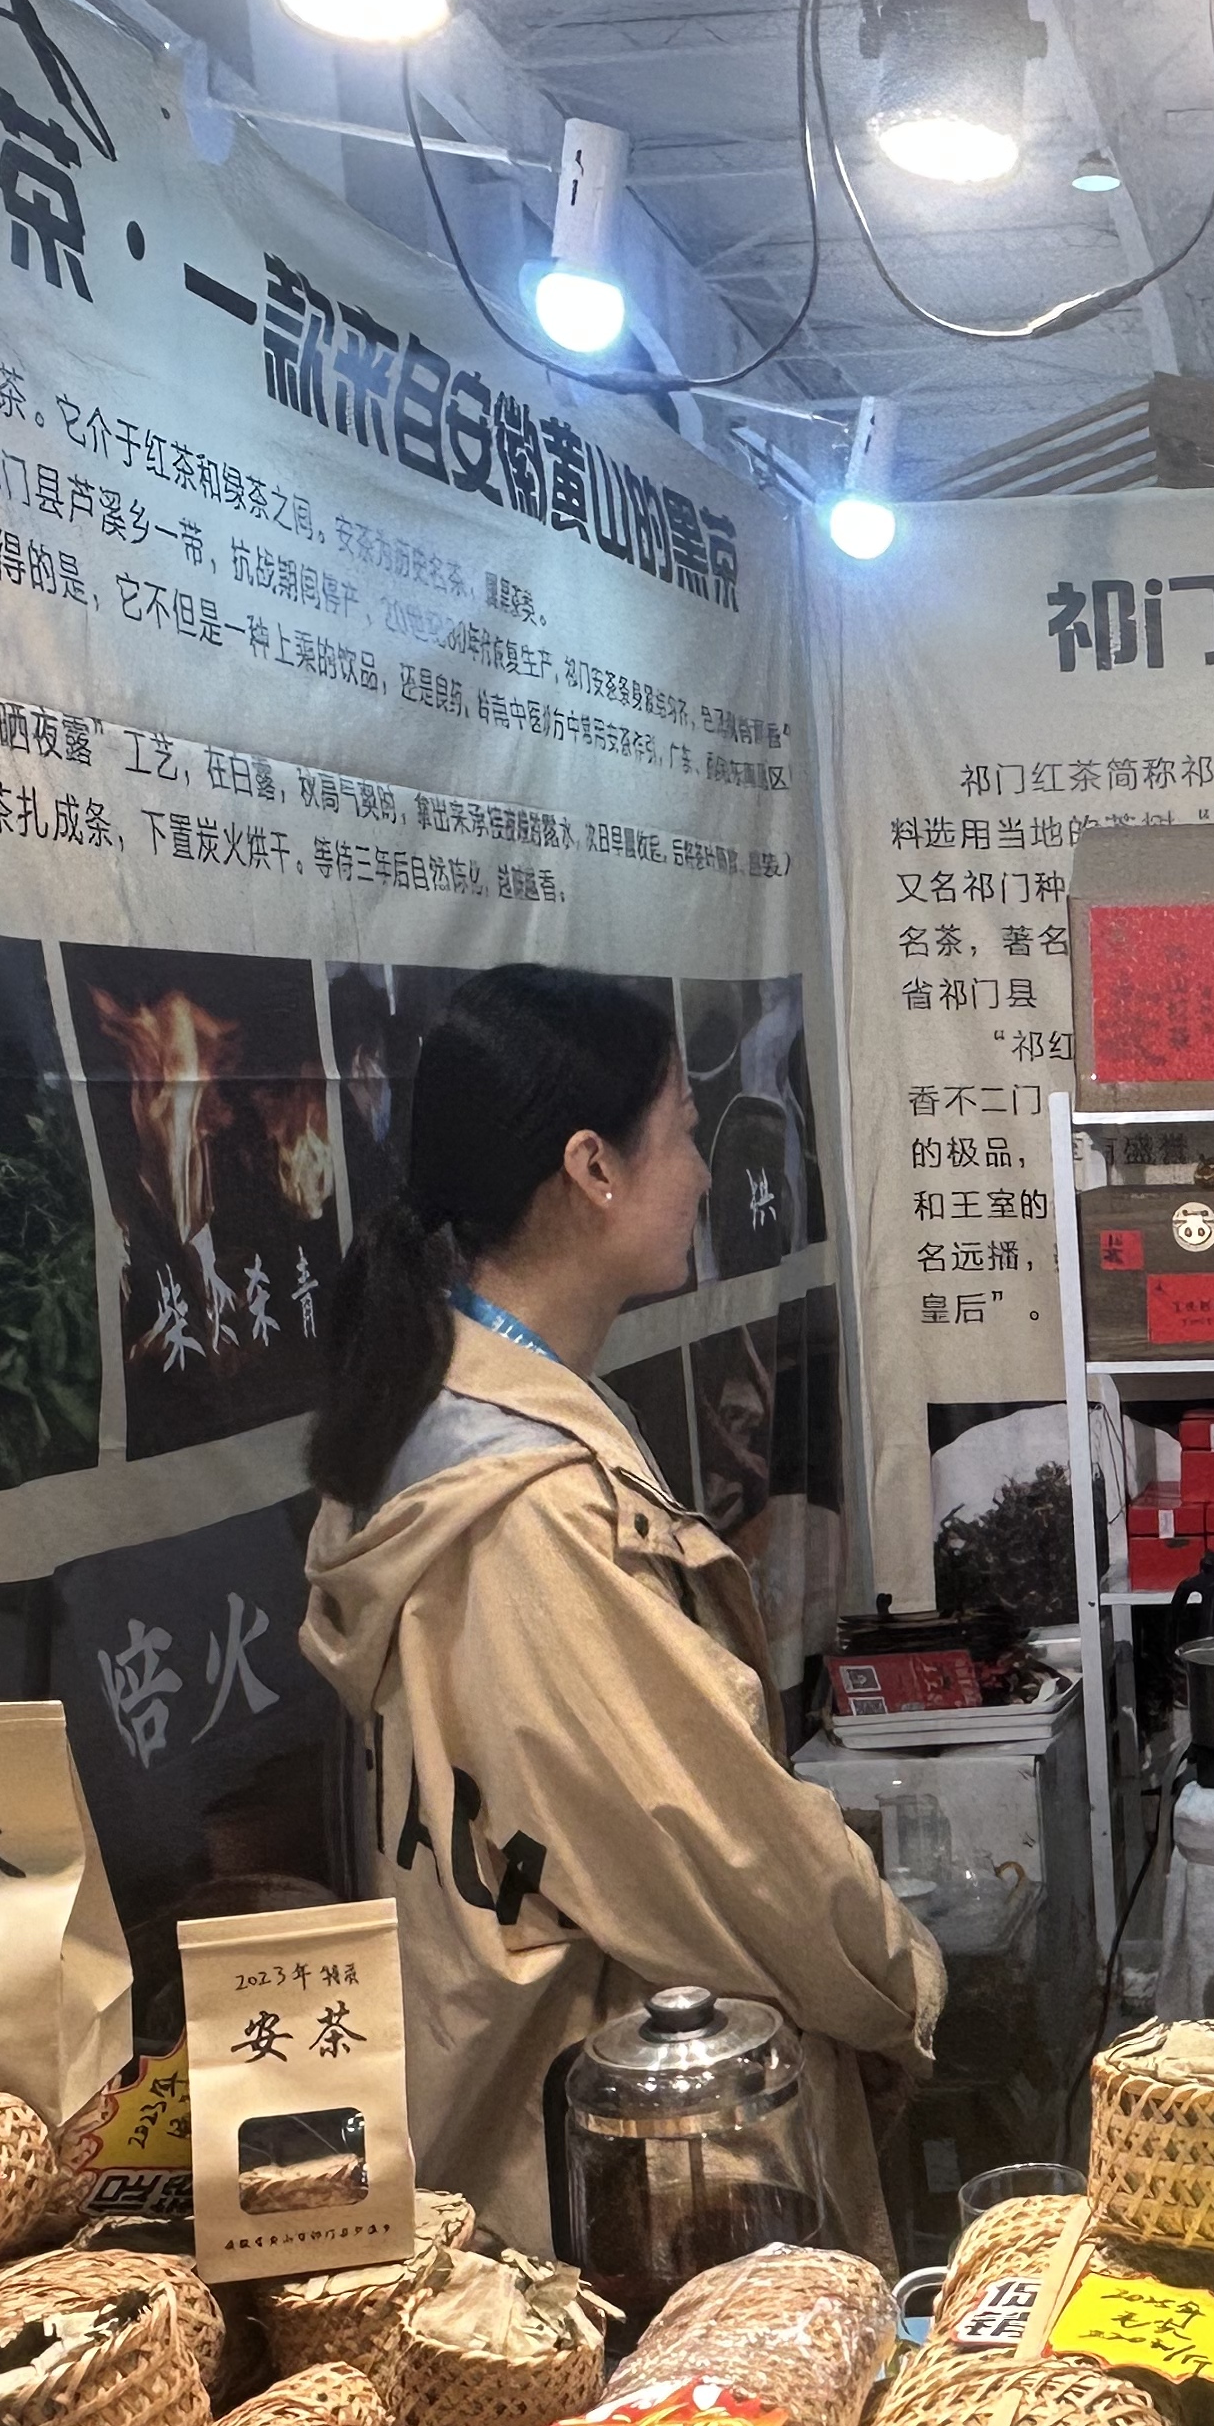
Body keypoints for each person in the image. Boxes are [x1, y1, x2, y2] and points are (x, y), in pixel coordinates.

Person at [300, 967, 940, 2267]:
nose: (703, 1173)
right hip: (620, 2188)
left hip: (504, 2129)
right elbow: (712, 1843)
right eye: (685, 1130)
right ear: (593, 1167)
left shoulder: (442, 1422)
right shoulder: (530, 1510)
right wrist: (898, 1984)